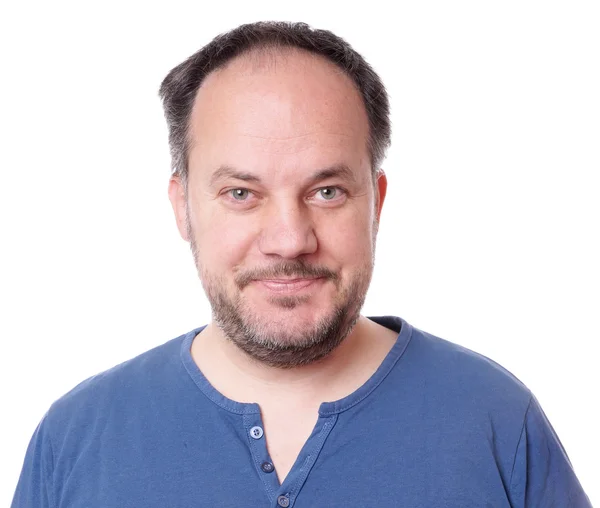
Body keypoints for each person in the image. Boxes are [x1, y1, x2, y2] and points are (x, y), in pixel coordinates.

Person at [12, 21, 591, 508]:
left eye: (328, 191)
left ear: (377, 203)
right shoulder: (76, 439)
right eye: (241, 193)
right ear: (182, 208)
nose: (289, 240)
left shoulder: (495, 421)